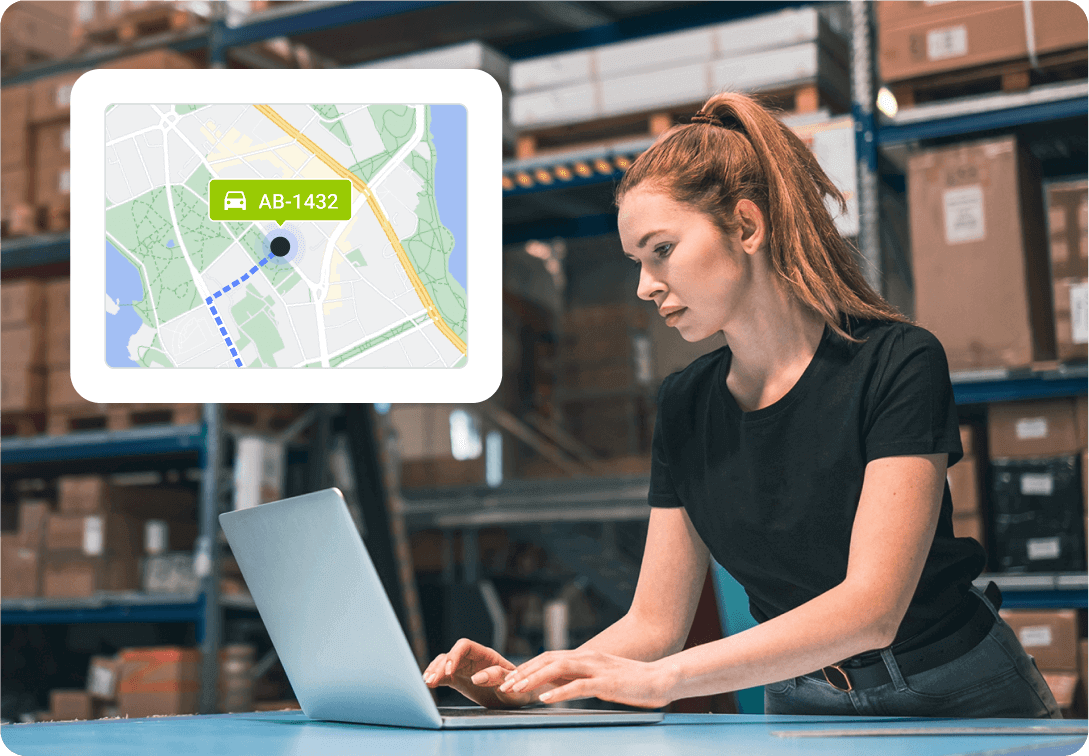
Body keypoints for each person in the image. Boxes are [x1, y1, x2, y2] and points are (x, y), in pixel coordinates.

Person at [421, 91, 1062, 718]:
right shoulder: (684, 405)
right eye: (636, 262)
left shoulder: (897, 362)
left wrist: (663, 680)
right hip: (802, 700)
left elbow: (873, 609)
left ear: (747, 227)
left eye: (662, 250)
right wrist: (532, 683)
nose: (646, 286)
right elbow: (653, 623)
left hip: (957, 693)